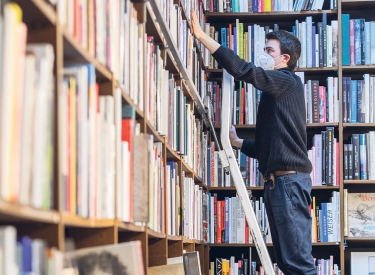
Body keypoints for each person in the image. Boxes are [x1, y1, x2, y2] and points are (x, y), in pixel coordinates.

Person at [191, 10, 316, 275]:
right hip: (278, 182)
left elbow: (245, 71)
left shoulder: (286, 81)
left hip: (289, 183)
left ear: (285, 58)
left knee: (298, 264)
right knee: (286, 261)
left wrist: (203, 37)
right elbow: (266, 150)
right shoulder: (277, 93)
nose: (263, 55)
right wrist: (238, 144)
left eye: (269, 51)